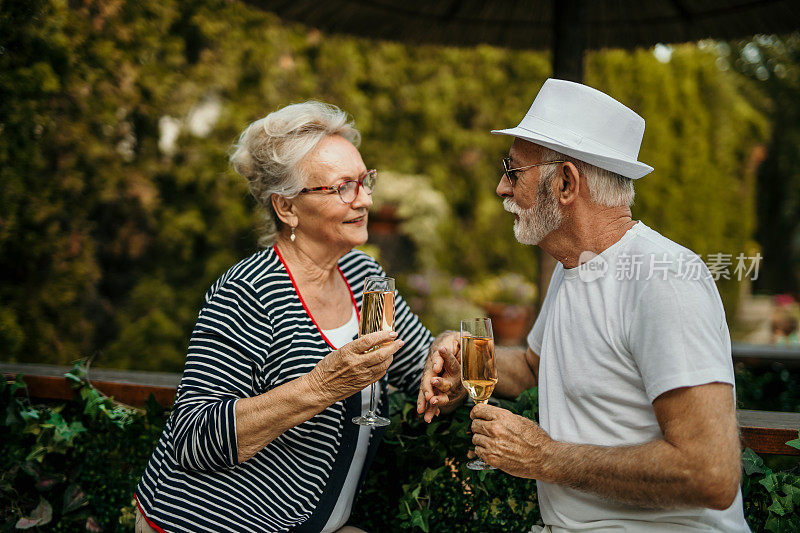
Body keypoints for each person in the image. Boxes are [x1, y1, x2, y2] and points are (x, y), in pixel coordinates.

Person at [419, 79, 751, 531]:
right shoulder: (574, 267)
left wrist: (548, 459)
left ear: (565, 183)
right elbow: (538, 367)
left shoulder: (663, 279)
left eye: (513, 171)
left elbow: (711, 474)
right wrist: (470, 361)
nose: (501, 188)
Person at [134, 101, 456, 533]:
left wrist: (446, 354)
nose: (366, 199)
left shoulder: (365, 275)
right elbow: (193, 439)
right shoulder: (248, 291)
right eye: (344, 187)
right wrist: (322, 386)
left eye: (365, 181)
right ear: (286, 208)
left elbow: (420, 361)